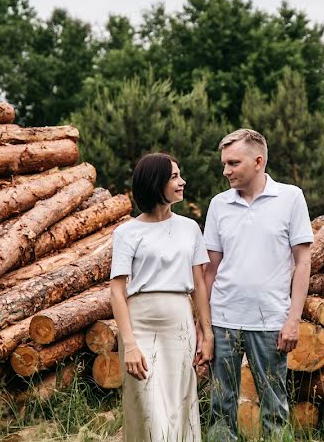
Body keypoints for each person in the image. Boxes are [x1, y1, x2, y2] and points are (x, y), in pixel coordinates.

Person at [203, 129, 314, 441]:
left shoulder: (291, 198)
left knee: (273, 407)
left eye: (233, 163)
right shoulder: (218, 204)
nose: (226, 171)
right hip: (223, 319)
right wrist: (204, 327)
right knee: (220, 407)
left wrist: (293, 320)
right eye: (224, 164)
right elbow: (210, 270)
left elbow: (303, 263)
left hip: (270, 321)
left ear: (258, 161)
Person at [109, 153, 213, 442]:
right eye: (174, 177)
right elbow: (117, 290)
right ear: (156, 183)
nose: (183, 182)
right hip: (140, 325)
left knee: (179, 405)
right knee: (149, 408)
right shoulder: (127, 233)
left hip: (180, 325)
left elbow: (199, 285)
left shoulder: (190, 228)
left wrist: (207, 333)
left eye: (180, 175)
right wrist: (128, 344)